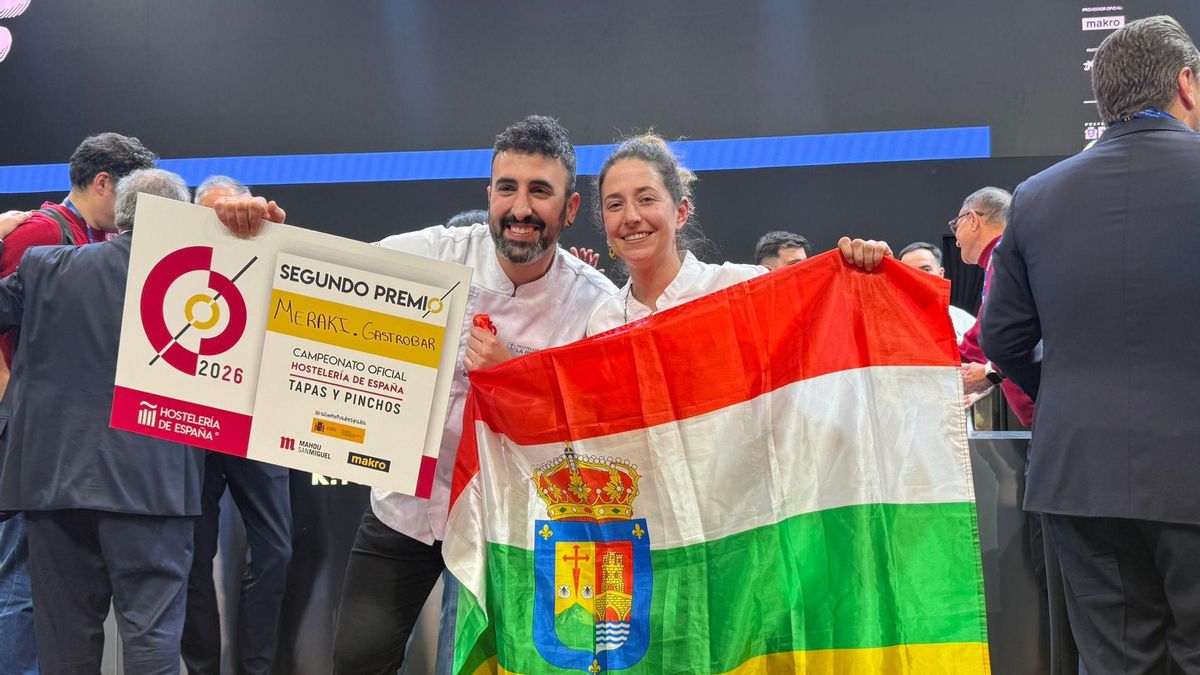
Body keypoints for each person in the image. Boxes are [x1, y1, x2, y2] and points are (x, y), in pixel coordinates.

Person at [215, 115, 618, 675]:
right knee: (356, 662)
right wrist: (257, 228)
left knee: (478, 666)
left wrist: (517, 375)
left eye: (540, 192)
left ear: (569, 209)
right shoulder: (436, 252)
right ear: (490, 195)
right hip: (407, 508)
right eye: (508, 188)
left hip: (507, 527)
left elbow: (602, 422)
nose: (521, 208)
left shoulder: (595, 305)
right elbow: (318, 276)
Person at [981, 15, 1200, 671]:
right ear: (1187, 84)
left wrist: (1069, 390)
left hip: (1079, 477)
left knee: (1114, 660)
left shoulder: (1037, 197)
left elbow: (1003, 337)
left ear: (1106, 102)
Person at [0, 168, 204, 675]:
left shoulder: (45, 266)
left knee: (65, 649)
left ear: (120, 214)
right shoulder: (206, 282)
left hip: (56, 488)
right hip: (153, 489)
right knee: (152, 643)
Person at [586, 134, 889, 336]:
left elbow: (832, 332)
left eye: (646, 199)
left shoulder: (743, 288)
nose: (631, 217)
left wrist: (870, 277)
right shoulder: (602, 323)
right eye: (615, 205)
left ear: (680, 212)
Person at [182, 175, 293, 675]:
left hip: (254, 418)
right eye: (212, 215)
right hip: (190, 423)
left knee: (276, 553)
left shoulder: (268, 240)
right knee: (190, 560)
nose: (226, 222)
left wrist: (272, 232)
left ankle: (255, 668)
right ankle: (202, 667)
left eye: (233, 211)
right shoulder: (178, 256)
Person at [949, 187, 1035, 423]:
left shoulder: (1012, 259)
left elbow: (1030, 330)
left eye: (956, 226)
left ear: (973, 219)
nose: (956, 240)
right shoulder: (997, 265)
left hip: (1052, 411)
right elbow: (974, 346)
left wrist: (991, 372)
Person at [897, 241, 976, 343]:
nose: (917, 276)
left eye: (925, 270)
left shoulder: (964, 321)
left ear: (940, 274)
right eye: (909, 271)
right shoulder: (890, 322)